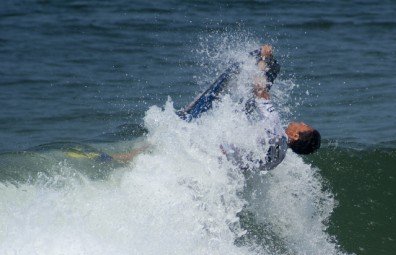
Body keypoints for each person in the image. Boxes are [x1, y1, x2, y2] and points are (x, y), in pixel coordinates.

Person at [110, 44, 320, 169]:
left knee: (176, 130)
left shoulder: (275, 126)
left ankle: (128, 158)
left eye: (303, 126)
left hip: (209, 149)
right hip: (215, 166)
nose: (300, 122)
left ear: (295, 136)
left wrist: (264, 60)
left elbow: (260, 90)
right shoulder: (278, 158)